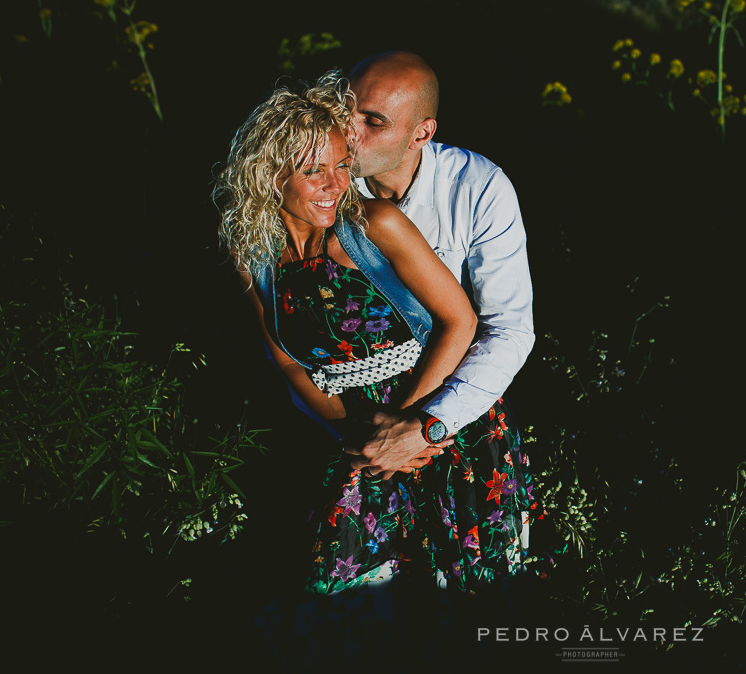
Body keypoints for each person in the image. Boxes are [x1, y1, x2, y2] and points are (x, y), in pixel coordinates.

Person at [213, 70, 538, 599]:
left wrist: (410, 426)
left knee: (472, 591)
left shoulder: (396, 214)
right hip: (352, 435)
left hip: (441, 419)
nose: (339, 177)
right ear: (269, 173)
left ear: (420, 133)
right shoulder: (253, 255)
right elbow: (288, 359)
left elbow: (485, 325)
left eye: (341, 165)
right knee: (354, 601)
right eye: (315, 168)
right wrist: (355, 438)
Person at [343, 50, 536, 481]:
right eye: (345, 111)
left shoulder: (479, 188)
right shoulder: (318, 187)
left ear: (421, 134)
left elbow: (510, 328)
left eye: (373, 121)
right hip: (351, 428)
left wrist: (423, 426)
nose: (348, 131)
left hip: (456, 419)